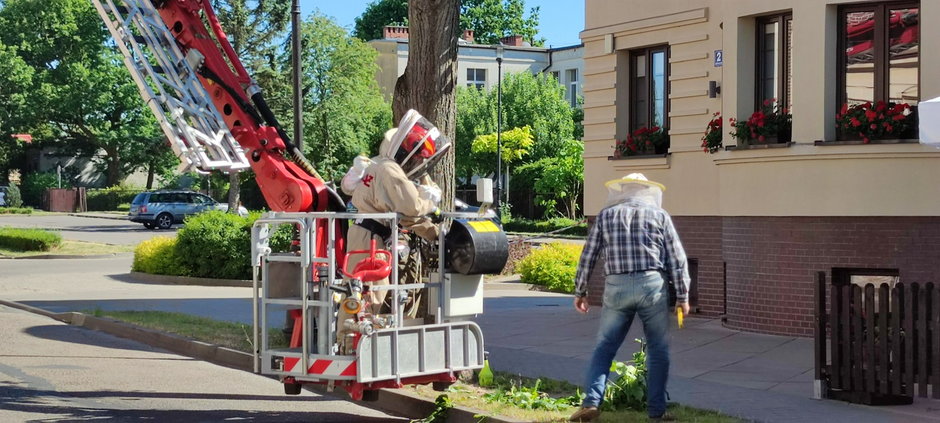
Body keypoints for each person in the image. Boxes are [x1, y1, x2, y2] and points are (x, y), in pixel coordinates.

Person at [568, 173, 690, 422]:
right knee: (657, 350)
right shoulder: (660, 215)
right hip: (652, 285)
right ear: (647, 191)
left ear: (622, 190)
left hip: (617, 286)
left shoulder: (606, 216)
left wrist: (581, 291)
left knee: (605, 346)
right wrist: (683, 295)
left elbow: (588, 255)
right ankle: (656, 412)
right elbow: (677, 258)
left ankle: (591, 402)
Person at [336, 109, 450, 352]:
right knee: (368, 293)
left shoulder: (380, 165)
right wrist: (431, 199)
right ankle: (351, 348)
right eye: (418, 156)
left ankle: (357, 345)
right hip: (371, 239)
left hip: (369, 235)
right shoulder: (390, 170)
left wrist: (434, 233)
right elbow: (412, 208)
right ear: (405, 149)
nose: (419, 162)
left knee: (363, 291)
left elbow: (403, 216)